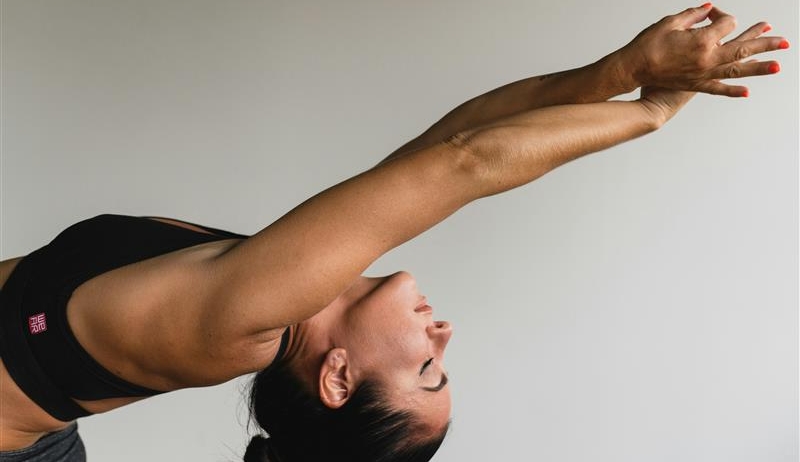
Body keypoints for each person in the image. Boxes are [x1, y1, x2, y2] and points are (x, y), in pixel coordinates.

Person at [0, 4, 789, 462]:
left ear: (337, 380)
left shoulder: (241, 320)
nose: (444, 334)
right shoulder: (291, 288)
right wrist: (619, 73)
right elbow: (458, 136)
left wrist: (650, 114)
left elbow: (467, 164)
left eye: (429, 371)